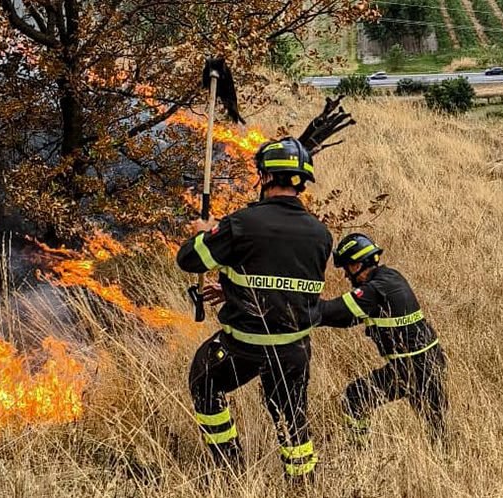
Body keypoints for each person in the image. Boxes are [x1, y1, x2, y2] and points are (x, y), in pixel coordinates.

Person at [176, 137, 332, 482]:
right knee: (290, 415)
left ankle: (229, 466)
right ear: (302, 182)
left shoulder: (243, 223)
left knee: (204, 382)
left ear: (264, 177)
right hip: (294, 348)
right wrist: (233, 290)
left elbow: (189, 259)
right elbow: (282, 285)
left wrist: (205, 234)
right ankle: (302, 482)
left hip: (243, 347)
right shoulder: (321, 234)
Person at [320, 233, 448, 446]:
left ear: (359, 264)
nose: (346, 276)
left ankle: (357, 449)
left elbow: (335, 312)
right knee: (436, 422)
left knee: (355, 397)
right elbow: (350, 319)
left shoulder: (375, 289)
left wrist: (299, 307)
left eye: (347, 268)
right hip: (432, 359)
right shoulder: (391, 277)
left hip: (410, 368)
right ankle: (446, 457)